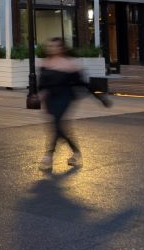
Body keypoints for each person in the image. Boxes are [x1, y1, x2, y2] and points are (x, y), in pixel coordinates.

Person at [37, 37, 106, 172]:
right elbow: (42, 84)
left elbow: (84, 84)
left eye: (55, 46)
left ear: (62, 48)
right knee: (59, 127)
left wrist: (99, 97)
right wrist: (40, 94)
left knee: (56, 124)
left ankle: (48, 155)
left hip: (65, 97)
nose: (52, 48)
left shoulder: (69, 65)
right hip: (50, 99)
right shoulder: (44, 64)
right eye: (50, 46)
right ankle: (76, 152)